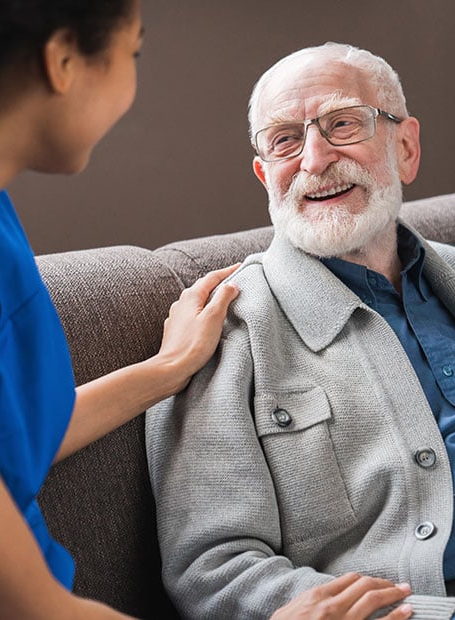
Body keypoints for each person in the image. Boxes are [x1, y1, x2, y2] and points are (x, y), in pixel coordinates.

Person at [146, 42, 455, 619]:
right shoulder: (226, 331)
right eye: (285, 139)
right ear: (265, 174)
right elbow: (213, 569)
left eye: (342, 124)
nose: (314, 159)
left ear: (405, 147)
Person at [0, 1, 245, 618]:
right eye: (135, 53)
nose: (134, 83)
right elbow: (31, 608)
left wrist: (168, 369)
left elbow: (9, 434)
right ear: (64, 60)